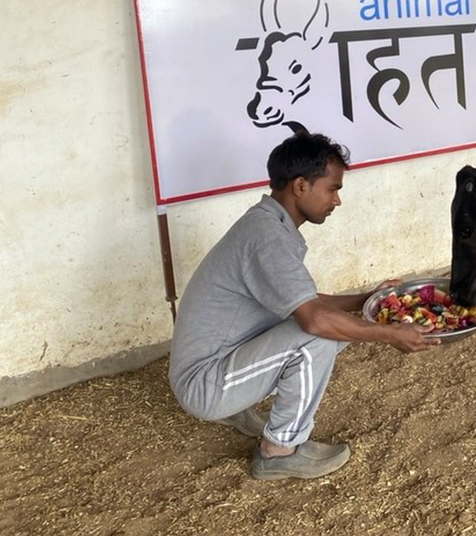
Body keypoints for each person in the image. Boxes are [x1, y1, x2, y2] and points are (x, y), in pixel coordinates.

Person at [169, 132, 438, 481]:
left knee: (324, 325)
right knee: (320, 337)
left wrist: (367, 298)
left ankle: (237, 405)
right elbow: (314, 320)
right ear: (300, 186)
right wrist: (389, 334)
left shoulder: (267, 224)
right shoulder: (267, 239)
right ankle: (278, 451)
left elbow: (305, 302)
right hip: (203, 383)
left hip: (213, 363)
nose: (337, 200)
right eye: (332, 188)